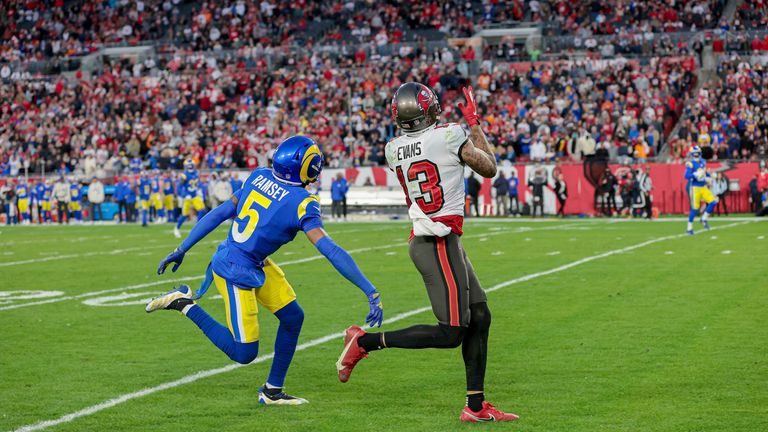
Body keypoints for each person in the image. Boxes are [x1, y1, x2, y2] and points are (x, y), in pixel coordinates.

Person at [147, 136, 383, 405]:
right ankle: (183, 304)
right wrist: (369, 290)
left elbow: (221, 212)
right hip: (234, 269)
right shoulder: (303, 202)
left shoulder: (258, 175)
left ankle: (272, 391)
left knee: (293, 317)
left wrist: (183, 247)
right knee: (244, 352)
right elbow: (330, 250)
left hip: (251, 259)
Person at [337, 84, 518, 422]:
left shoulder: (393, 149)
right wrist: (475, 123)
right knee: (451, 332)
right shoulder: (450, 134)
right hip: (436, 242)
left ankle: (475, 407)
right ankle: (364, 342)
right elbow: (489, 167)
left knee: (480, 315)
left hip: (437, 239)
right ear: (430, 109)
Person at [684, 145, 717, 235]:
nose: (697, 155)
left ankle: (704, 219)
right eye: (695, 154)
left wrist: (710, 175)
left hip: (703, 187)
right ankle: (689, 228)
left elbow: (705, 172)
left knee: (713, 202)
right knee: (695, 209)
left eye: (697, 153)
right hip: (695, 188)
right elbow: (686, 176)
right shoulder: (690, 164)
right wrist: (695, 174)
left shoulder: (703, 162)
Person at [174, 159, 207, 238]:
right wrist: (184, 194)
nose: (191, 167)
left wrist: (199, 191)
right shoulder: (184, 175)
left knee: (202, 210)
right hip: (187, 197)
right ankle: (177, 228)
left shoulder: (196, 173)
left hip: (195, 195)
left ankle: (197, 228)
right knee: (185, 215)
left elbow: (197, 184)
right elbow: (179, 187)